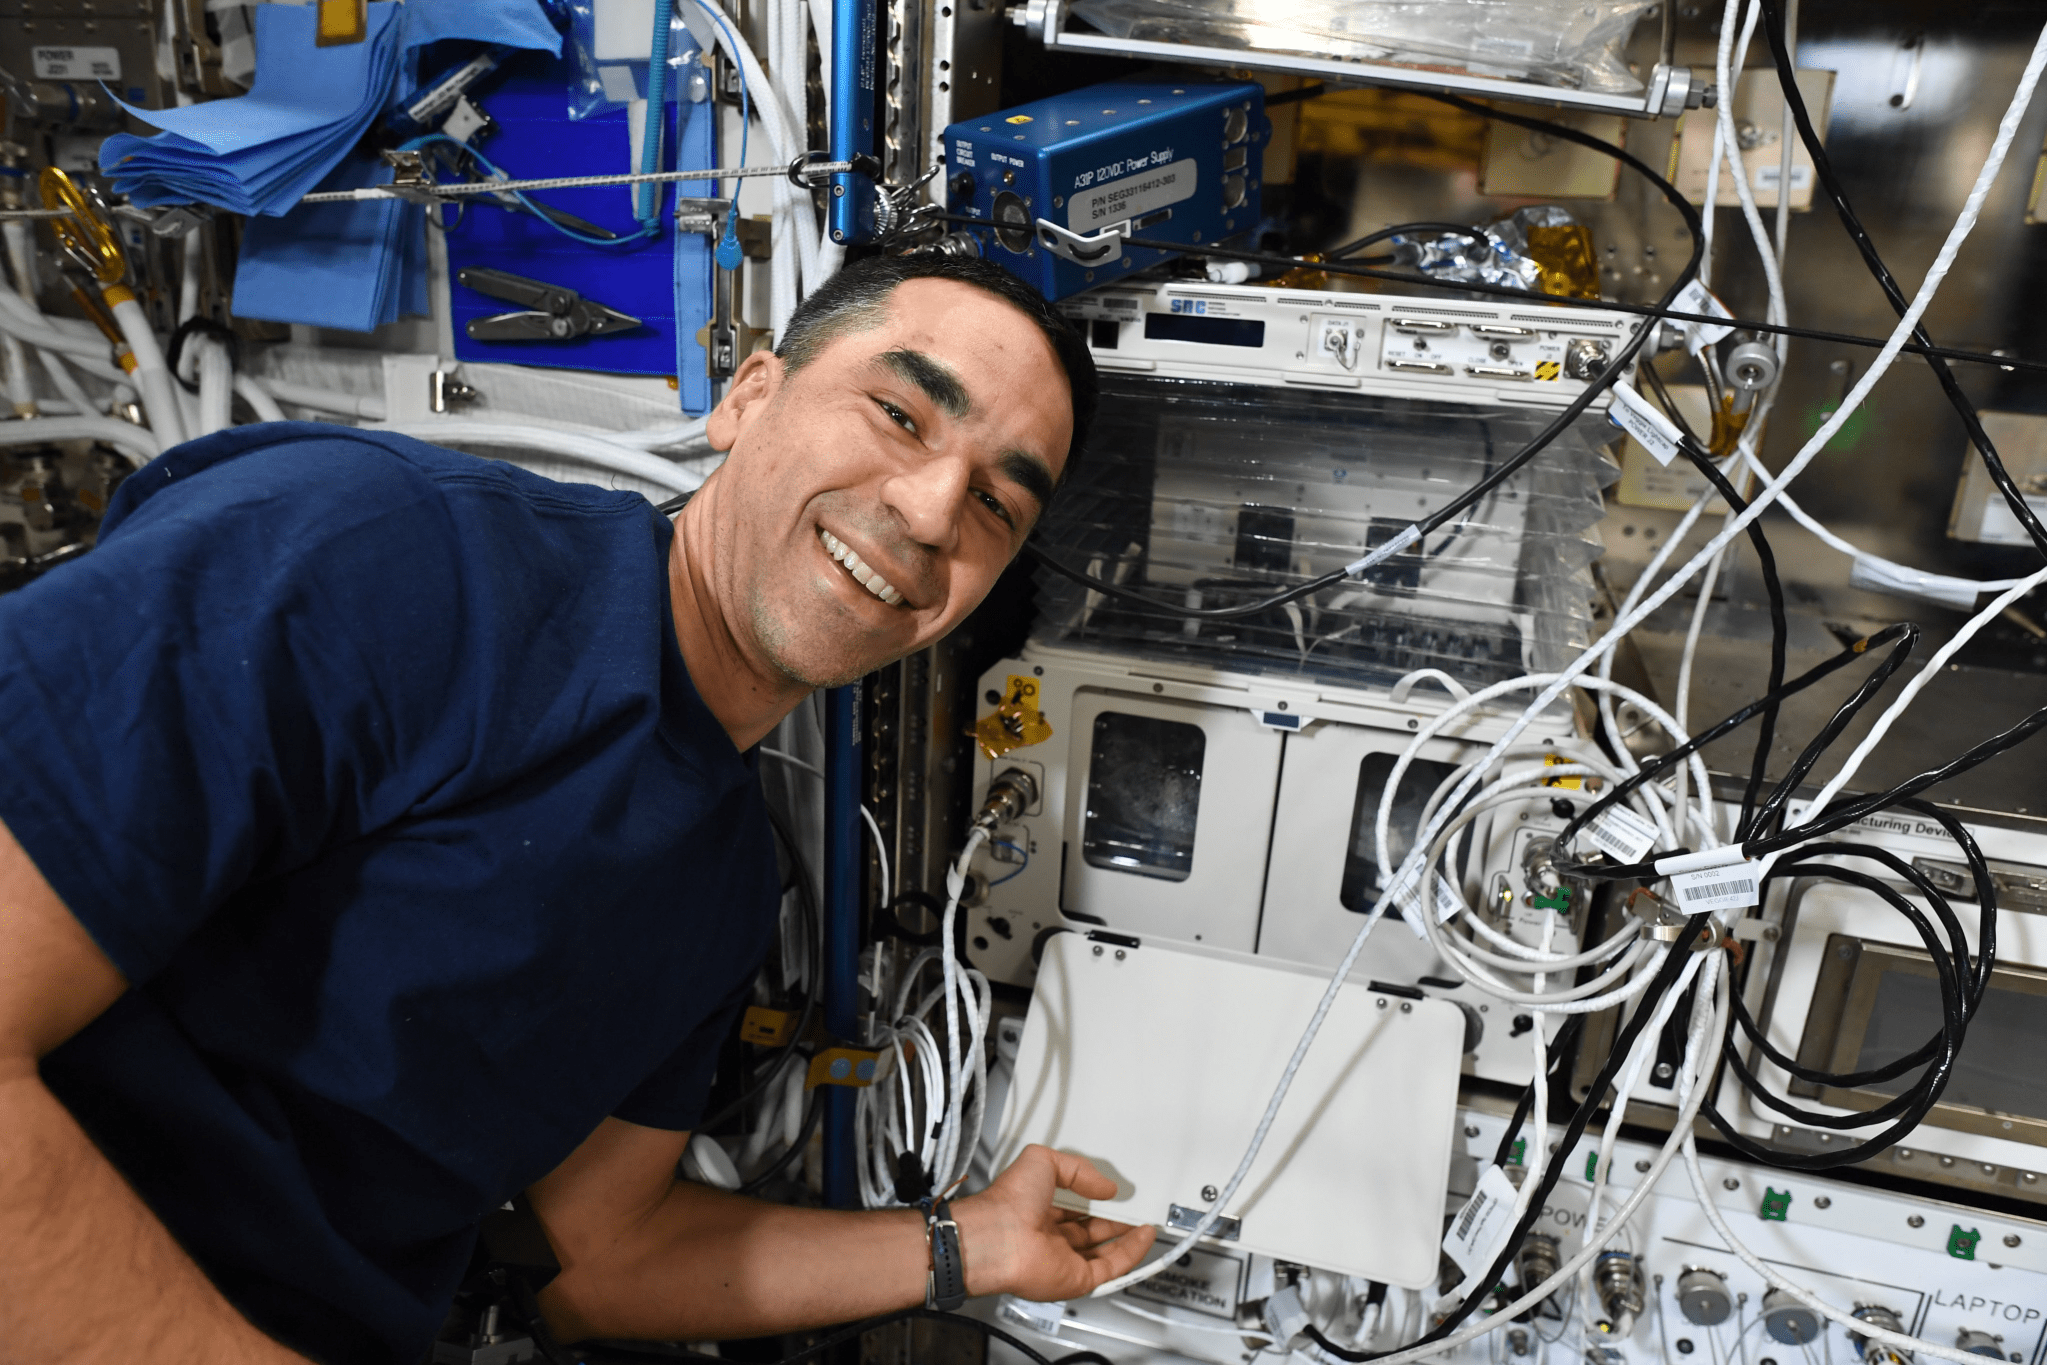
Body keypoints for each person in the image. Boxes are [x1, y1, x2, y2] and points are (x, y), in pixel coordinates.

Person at [0, 254, 1155, 1365]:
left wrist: (972, 1245)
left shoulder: (720, 882)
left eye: (999, 503)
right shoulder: (388, 558)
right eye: (902, 416)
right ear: (748, 399)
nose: (932, 509)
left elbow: (600, 1257)